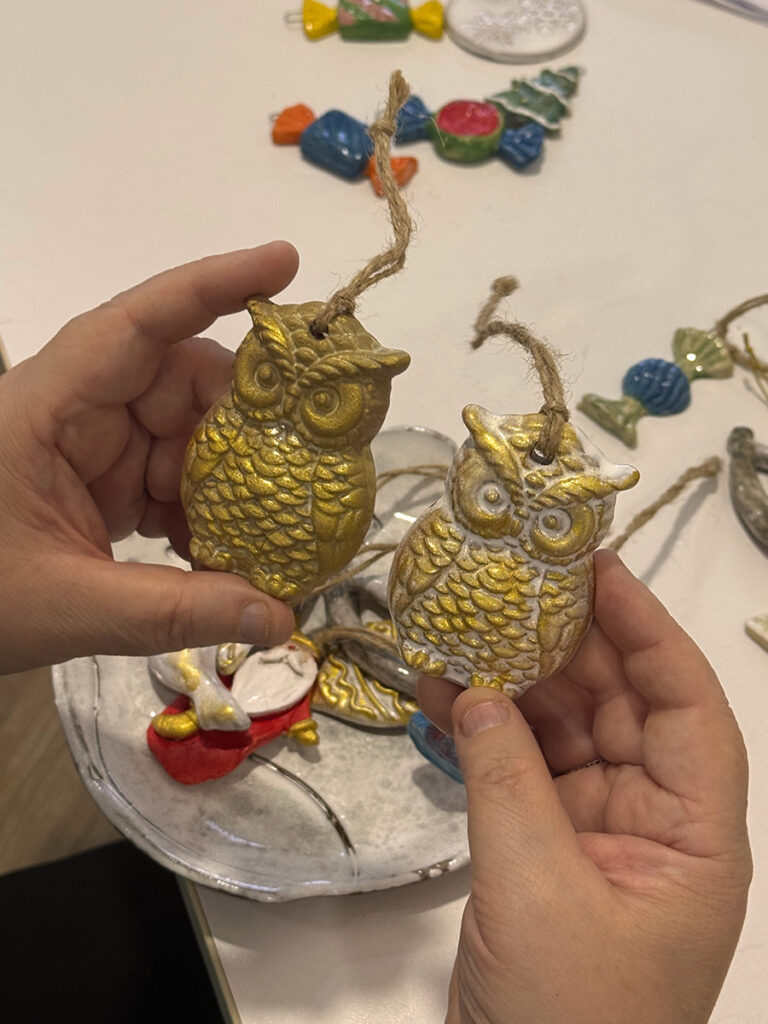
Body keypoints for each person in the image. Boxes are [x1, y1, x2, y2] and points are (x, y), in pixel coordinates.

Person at [0, 244, 752, 1023]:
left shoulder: (499, 559)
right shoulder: (230, 433)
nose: (513, 526)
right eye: (498, 495)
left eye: (554, 523)